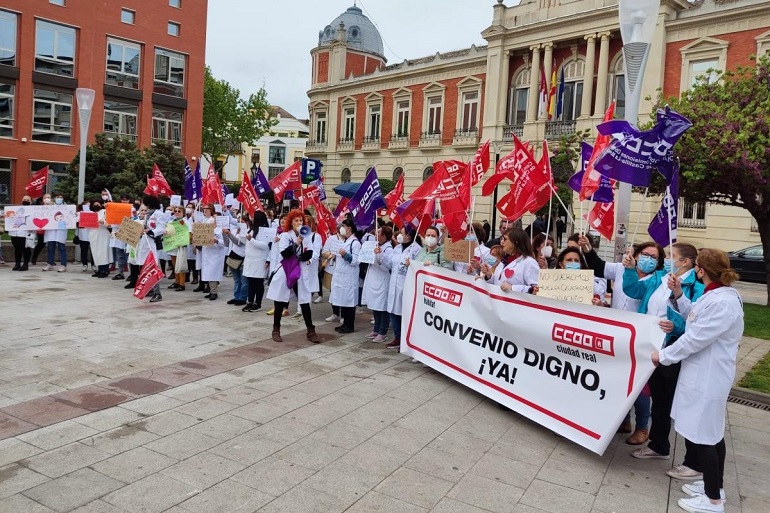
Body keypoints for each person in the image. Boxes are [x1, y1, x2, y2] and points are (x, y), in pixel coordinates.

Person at [651, 249, 743, 513]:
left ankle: (714, 500)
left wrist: (664, 356)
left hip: (709, 376)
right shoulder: (715, 294)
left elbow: (695, 338)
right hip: (702, 373)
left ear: (701, 270)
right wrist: (679, 293)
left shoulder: (722, 302)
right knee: (712, 433)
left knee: (705, 436)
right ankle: (714, 487)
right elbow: (695, 317)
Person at [625, 243, 705, 479]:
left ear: (687, 262)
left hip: (672, 348)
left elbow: (693, 320)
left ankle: (687, 456)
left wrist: (676, 326)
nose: (667, 259)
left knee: (671, 400)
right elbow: (633, 291)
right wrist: (630, 270)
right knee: (657, 396)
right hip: (649, 345)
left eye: (672, 256)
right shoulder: (658, 277)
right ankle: (658, 445)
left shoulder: (694, 287)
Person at [266, 209, 321, 343]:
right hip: (287, 269)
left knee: (304, 300)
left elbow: (310, 252)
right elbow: (285, 254)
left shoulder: (306, 236)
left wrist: (304, 254)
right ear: (291, 222)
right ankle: (276, 329)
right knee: (280, 301)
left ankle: (310, 330)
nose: (299, 222)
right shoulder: (285, 236)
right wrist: (296, 243)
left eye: (301, 220)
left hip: (301, 270)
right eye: (296, 220)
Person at [385, 225, 422, 349]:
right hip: (394, 284)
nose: (399, 236)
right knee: (393, 312)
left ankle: (406, 340)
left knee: (404, 314)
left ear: (409, 236)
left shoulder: (417, 250)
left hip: (406, 285)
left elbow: (420, 269)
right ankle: (397, 337)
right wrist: (380, 256)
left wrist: (412, 265)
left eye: (402, 233)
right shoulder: (397, 248)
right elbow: (389, 263)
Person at [481, 227, 539, 294]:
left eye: (505, 239)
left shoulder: (529, 262)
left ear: (516, 242)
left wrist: (513, 288)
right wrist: (489, 276)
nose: (502, 242)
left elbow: (536, 289)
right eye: (502, 239)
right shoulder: (504, 261)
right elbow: (498, 283)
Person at [330, 218, 362, 334]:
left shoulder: (355, 243)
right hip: (341, 275)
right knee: (343, 300)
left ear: (349, 228)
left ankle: (350, 325)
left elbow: (356, 260)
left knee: (349, 302)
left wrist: (345, 255)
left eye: (344, 225)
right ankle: (344, 324)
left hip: (349, 277)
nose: (341, 228)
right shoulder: (344, 241)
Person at [363, 226, 393, 342]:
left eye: (379, 232)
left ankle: (383, 332)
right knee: (375, 305)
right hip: (373, 279)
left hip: (382, 280)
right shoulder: (375, 245)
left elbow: (388, 266)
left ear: (384, 236)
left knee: (382, 307)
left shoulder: (388, 249)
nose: (376, 234)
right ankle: (376, 329)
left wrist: (380, 255)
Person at [137, 195, 168, 302]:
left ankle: (157, 293)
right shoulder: (147, 215)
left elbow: (161, 228)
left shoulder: (159, 214)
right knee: (146, 267)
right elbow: (145, 227)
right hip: (145, 243)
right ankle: (150, 289)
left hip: (154, 244)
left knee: (153, 268)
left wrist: (149, 231)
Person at [242, 211, 271, 312]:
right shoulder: (252, 228)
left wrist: (252, 240)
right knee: (250, 282)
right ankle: (250, 301)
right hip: (250, 260)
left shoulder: (265, 230)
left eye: (253, 217)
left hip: (259, 260)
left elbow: (265, 245)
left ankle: (258, 303)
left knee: (258, 283)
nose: (251, 218)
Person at [197, 204, 225, 301]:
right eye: (204, 209)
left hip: (215, 254)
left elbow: (224, 243)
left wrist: (216, 241)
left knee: (213, 273)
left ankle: (214, 292)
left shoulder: (219, 230)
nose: (205, 211)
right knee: (208, 272)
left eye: (207, 209)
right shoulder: (204, 223)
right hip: (206, 252)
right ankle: (210, 290)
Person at [223, 216, 248, 306]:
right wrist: (224, 234)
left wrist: (229, 234)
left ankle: (243, 298)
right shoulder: (234, 231)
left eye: (242, 221)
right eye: (238, 221)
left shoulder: (247, 232)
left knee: (243, 280)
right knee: (237, 280)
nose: (239, 223)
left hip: (243, 258)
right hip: (233, 256)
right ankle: (236, 296)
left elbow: (239, 242)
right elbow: (226, 243)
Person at [42, 192, 68, 272]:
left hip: (61, 230)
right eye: (57, 197)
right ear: (54, 198)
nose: (59, 199)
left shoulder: (67, 207)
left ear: (63, 199)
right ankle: (50, 263)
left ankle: (63, 265)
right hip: (51, 230)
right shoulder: (50, 207)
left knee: (61, 247)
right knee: (50, 247)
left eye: (61, 197)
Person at [165, 206, 189, 291]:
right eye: (175, 211)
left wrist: (183, 241)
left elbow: (189, 233)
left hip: (180, 246)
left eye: (179, 211)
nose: (177, 212)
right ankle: (176, 281)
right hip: (172, 246)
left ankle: (182, 283)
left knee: (180, 264)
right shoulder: (171, 221)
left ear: (183, 213)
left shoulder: (185, 222)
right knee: (175, 265)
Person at [89, 200, 112, 278]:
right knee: (96, 252)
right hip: (93, 234)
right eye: (94, 204)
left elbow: (110, 224)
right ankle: (99, 269)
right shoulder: (90, 214)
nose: (96, 205)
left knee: (103, 252)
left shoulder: (105, 212)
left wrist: (103, 223)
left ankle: (105, 270)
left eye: (98, 204)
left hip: (103, 234)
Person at [10, 195, 33, 271]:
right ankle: (17, 263)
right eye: (24, 199)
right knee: (17, 248)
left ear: (31, 202)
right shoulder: (16, 209)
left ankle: (25, 264)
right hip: (15, 233)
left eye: (27, 199)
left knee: (25, 248)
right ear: (21, 201)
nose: (25, 200)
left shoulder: (33, 210)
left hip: (25, 233)